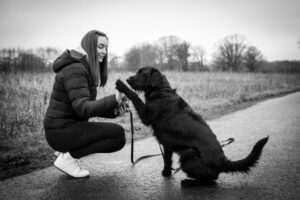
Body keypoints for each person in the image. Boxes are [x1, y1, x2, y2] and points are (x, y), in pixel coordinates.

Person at [44, 30, 128, 178]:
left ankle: (67, 154)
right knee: (117, 135)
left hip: (66, 128)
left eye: (106, 48)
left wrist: (115, 109)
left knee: (119, 137)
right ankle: (68, 159)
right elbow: (83, 109)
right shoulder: (76, 69)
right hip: (60, 131)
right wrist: (114, 98)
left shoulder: (83, 67)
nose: (104, 51)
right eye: (100, 47)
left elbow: (85, 106)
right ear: (89, 47)